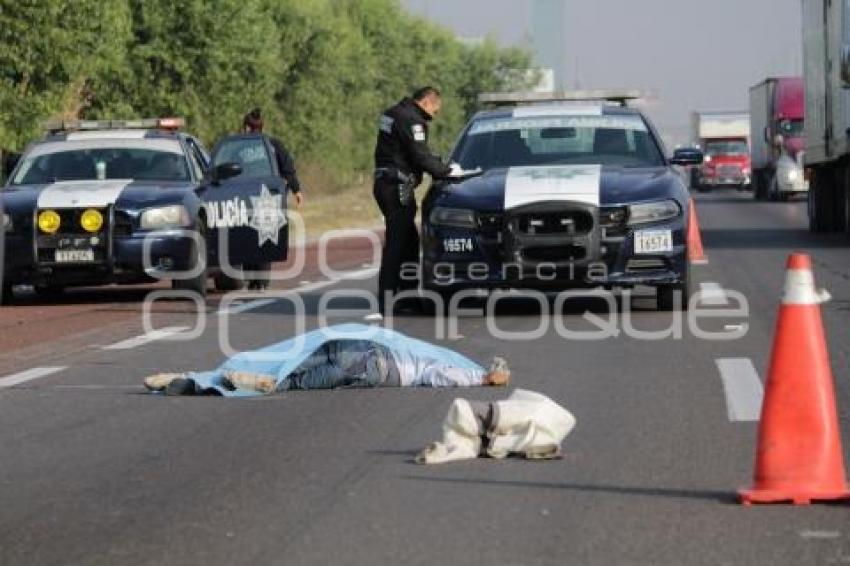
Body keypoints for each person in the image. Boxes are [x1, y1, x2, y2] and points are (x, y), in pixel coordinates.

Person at [142, 324, 510, 395]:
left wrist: (483, 377)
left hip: (356, 349)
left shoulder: (415, 346)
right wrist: (481, 381)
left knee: (281, 361)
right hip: (366, 370)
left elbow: (442, 369)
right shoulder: (443, 363)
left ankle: (194, 376)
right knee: (291, 382)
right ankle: (255, 385)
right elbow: (440, 376)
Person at [372, 87, 457, 316]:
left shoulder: (391, 113)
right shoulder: (412, 120)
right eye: (433, 112)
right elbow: (419, 156)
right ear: (427, 103)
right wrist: (446, 172)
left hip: (385, 182)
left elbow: (405, 152)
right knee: (397, 244)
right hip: (396, 186)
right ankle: (388, 300)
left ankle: (406, 298)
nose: (432, 117)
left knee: (409, 242)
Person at [242, 108, 304, 290]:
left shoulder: (241, 147)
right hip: (269, 195)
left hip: (246, 196)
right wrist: (296, 190)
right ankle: (260, 280)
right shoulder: (273, 144)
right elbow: (288, 167)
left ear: (246, 127)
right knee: (264, 236)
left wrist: (296, 189)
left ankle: (256, 279)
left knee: (247, 235)